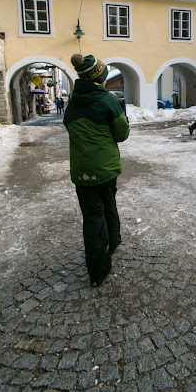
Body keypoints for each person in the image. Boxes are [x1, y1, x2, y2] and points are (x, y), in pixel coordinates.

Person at [64, 54, 130, 287]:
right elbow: (122, 134)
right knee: (108, 206)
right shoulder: (108, 101)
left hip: (82, 170)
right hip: (105, 168)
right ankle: (112, 244)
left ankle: (97, 271)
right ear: (99, 78)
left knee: (92, 217)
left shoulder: (72, 103)